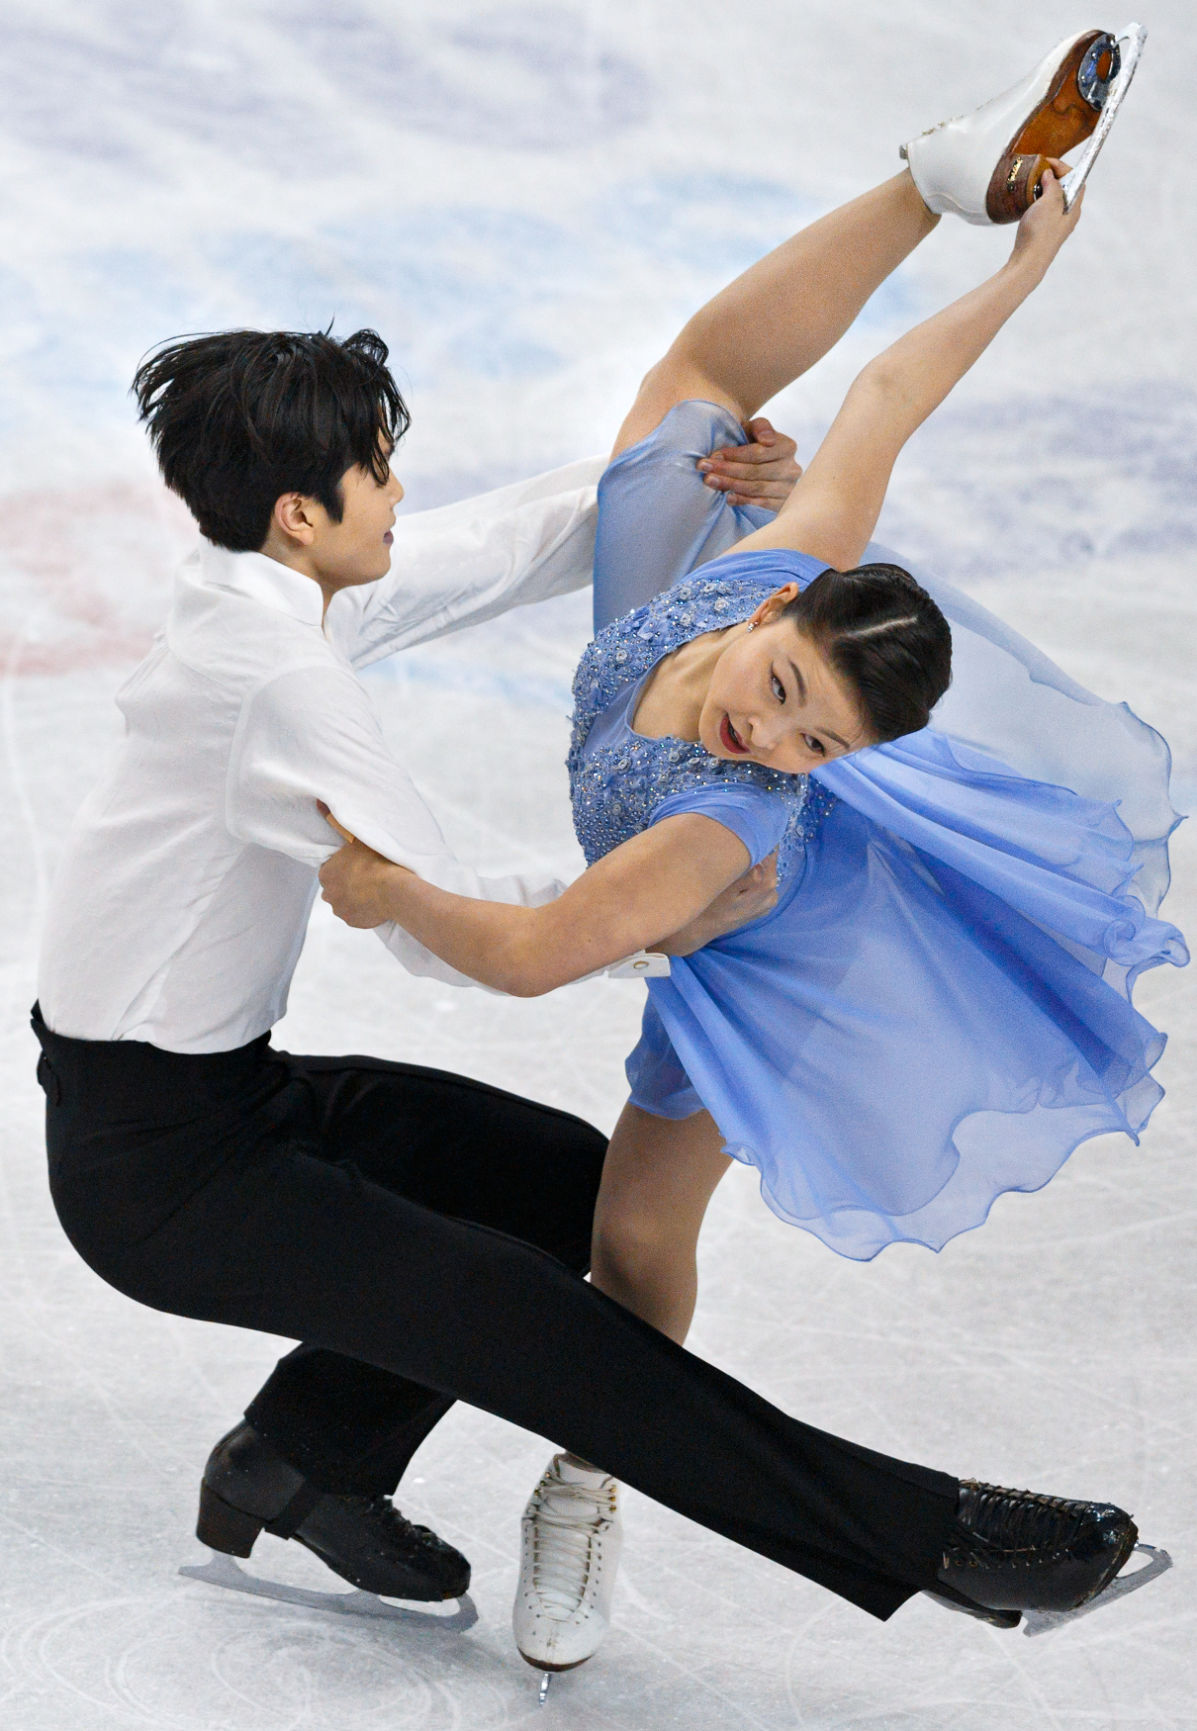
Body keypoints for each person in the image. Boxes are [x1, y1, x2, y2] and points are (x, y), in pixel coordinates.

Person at [316, 28, 1182, 1674]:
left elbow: (527, 958)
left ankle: (585, 1485)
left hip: (770, 955)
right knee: (694, 395)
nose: (768, 739)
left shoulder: (728, 825)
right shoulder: (746, 559)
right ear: (771, 601)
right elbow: (882, 392)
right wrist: (1009, 245)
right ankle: (934, 162)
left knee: (634, 1242)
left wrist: (380, 891)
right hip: (696, 743)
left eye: (815, 749)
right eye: (784, 697)